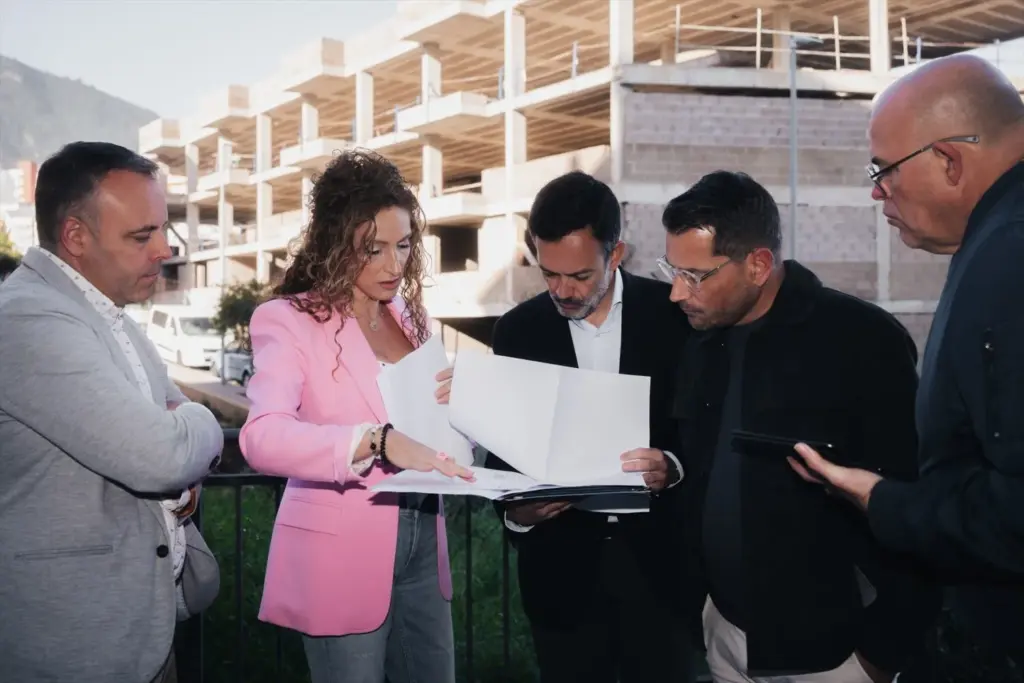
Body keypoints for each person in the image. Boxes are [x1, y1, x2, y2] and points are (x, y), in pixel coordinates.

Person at [661, 170, 941, 683]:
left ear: (758, 265)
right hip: (724, 634)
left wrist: (880, 655)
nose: (678, 293)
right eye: (672, 270)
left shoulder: (862, 340)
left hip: (833, 656)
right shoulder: (698, 344)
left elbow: (919, 500)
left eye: (696, 276)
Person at [790, 53, 1024, 666]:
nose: (875, 191)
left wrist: (880, 499)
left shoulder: (1009, 260)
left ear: (949, 160)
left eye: (883, 169)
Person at [239, 149, 473, 683]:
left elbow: (429, 434)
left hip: (424, 542)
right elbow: (260, 437)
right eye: (375, 249)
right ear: (335, 243)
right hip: (337, 558)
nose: (394, 265)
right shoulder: (287, 320)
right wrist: (373, 441)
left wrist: (463, 415)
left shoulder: (412, 319)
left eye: (404, 245)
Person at [454, 171, 694, 682]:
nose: (562, 290)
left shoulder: (675, 315)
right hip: (560, 582)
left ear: (617, 253)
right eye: (549, 274)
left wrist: (672, 468)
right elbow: (503, 461)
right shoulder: (517, 331)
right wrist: (521, 513)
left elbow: (704, 433)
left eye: (580, 276)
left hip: (662, 576)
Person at [0, 141, 223, 683]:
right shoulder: (28, 321)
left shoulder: (108, 315)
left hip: (138, 632)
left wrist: (178, 442)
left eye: (163, 229)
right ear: (76, 236)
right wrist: (204, 424)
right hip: (74, 646)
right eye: (141, 235)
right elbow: (164, 453)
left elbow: (166, 435)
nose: (164, 249)